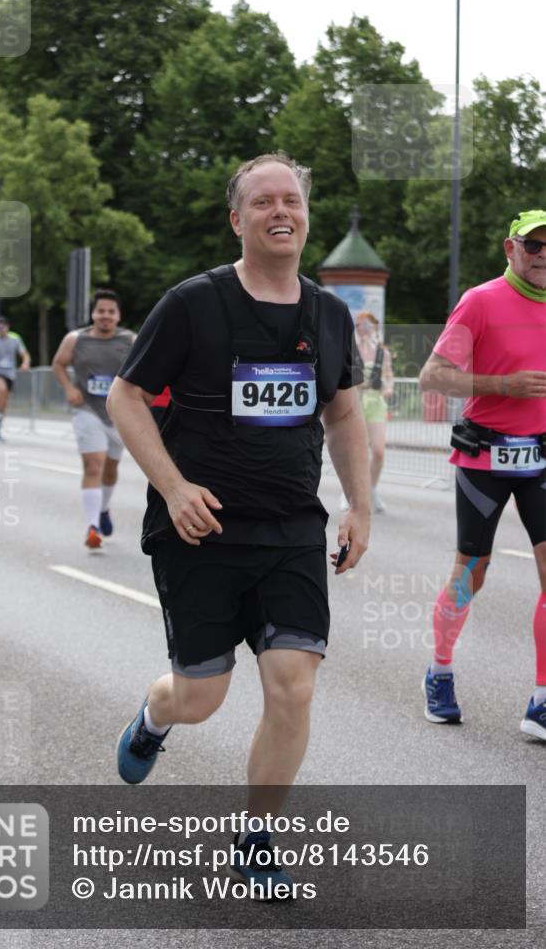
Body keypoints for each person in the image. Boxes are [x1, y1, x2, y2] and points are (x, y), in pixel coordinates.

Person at [107, 153, 371, 895]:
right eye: (262, 202)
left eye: (291, 199)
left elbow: (343, 411)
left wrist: (359, 505)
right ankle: (155, 717)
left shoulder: (327, 313)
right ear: (237, 218)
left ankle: (256, 840)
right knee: (201, 697)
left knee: (292, 686)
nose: (279, 211)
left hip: (289, 526)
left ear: (305, 214)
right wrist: (173, 484)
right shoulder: (194, 302)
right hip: (200, 528)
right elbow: (128, 397)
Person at [419, 210, 546, 740]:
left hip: (541, 458)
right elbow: (434, 376)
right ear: (509, 248)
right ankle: (440, 671)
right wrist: (505, 385)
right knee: (472, 573)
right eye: (533, 246)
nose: (543, 256)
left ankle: (541, 699)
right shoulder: (481, 300)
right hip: (484, 459)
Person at [52, 289, 134, 548]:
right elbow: (58, 364)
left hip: (119, 413)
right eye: (100, 311)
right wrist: (69, 388)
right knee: (93, 465)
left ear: (118, 315)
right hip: (87, 409)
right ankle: (92, 527)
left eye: (111, 312)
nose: (105, 316)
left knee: (110, 469)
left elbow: (146, 371)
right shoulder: (76, 339)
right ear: (93, 313)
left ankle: (103, 508)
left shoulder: (131, 340)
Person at [340, 311, 394, 513]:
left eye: (367, 325)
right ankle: (350, 493)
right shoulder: (351, 351)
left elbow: (388, 376)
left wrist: (389, 388)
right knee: (355, 451)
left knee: (378, 451)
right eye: (359, 325)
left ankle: (371, 489)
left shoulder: (382, 352)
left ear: (375, 327)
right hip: (356, 403)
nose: (363, 329)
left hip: (376, 403)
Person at [0, 316, 30, 440]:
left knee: (4, 403)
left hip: (10, 374)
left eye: (1, 327)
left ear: (7, 327)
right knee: (1, 389)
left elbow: (25, 354)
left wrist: (25, 363)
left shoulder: (15, 339)